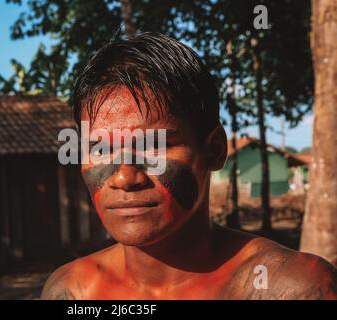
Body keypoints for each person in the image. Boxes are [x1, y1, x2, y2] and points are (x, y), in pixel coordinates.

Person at [41, 32, 336, 300]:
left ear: (214, 150)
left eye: (153, 146)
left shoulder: (288, 289)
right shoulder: (72, 291)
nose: (124, 176)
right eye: (101, 149)